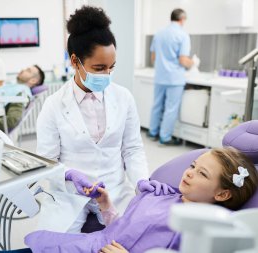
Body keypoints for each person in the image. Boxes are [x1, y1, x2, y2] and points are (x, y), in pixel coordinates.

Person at [36, 6, 165, 234]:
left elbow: (133, 149)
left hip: (115, 190)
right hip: (69, 194)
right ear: (75, 62)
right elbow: (47, 161)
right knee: (54, 244)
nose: (106, 74)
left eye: (111, 67)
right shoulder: (53, 105)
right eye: (99, 68)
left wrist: (140, 180)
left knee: (137, 238)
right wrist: (68, 174)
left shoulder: (123, 97)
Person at [24, 147, 258, 253]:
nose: (188, 173)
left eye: (202, 174)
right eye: (193, 166)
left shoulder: (203, 232)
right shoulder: (161, 194)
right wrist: (105, 204)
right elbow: (121, 229)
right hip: (91, 244)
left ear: (223, 194)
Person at [148, 9, 198, 146]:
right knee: (171, 108)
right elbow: (183, 60)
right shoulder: (183, 35)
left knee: (157, 104)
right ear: (182, 19)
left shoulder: (158, 34)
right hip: (174, 78)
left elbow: (153, 57)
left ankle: (152, 132)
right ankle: (165, 137)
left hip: (160, 76)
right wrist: (193, 62)